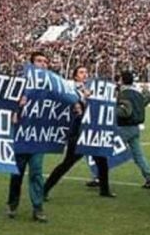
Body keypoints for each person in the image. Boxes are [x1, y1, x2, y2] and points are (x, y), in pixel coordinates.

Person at [43, 66, 113, 199]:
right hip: (78, 132)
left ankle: (105, 190)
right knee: (67, 163)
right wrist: (82, 97)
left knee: (102, 161)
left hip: (92, 133)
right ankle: (44, 190)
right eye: (81, 72)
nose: (85, 74)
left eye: (86, 72)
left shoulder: (92, 90)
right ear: (75, 76)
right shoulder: (70, 90)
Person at [7, 51, 50, 222]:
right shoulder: (21, 83)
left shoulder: (51, 85)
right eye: (39, 61)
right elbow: (7, 102)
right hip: (22, 135)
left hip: (38, 135)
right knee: (17, 172)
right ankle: (13, 203)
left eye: (45, 61)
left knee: (37, 172)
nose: (43, 64)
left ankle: (38, 207)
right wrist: (16, 107)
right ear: (31, 65)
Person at [116, 70, 150, 189]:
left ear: (122, 80)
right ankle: (149, 178)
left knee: (107, 151)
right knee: (138, 155)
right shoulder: (137, 94)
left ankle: (99, 176)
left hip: (124, 127)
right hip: (135, 128)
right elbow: (148, 99)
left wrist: (113, 111)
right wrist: (146, 90)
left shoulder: (123, 94)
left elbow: (125, 112)